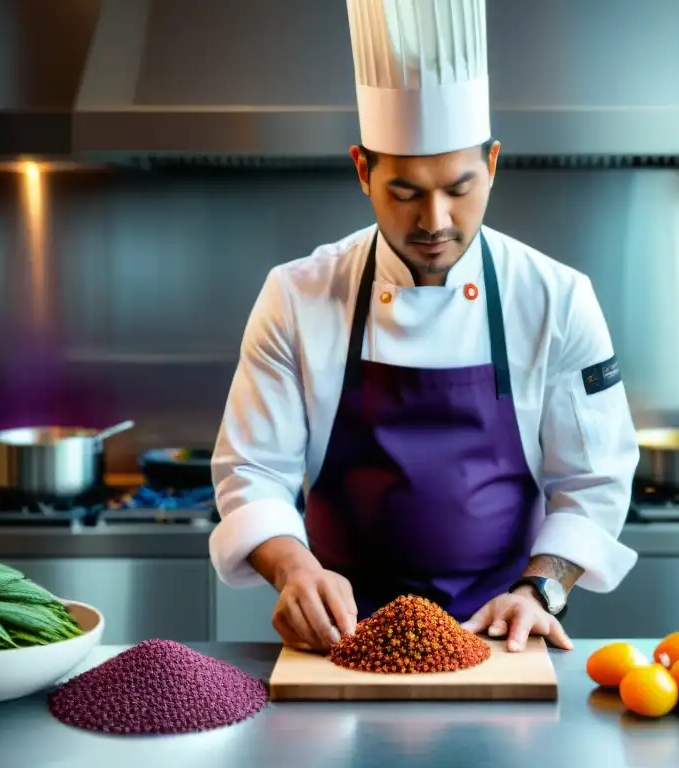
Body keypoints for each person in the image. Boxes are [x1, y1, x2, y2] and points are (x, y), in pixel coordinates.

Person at [209, 0, 640, 654]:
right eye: (406, 192)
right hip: (339, 640)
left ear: (492, 164)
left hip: (500, 635)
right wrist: (294, 569)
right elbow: (253, 471)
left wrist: (539, 591)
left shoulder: (556, 298)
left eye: (460, 187)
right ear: (362, 170)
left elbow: (593, 483)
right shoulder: (296, 296)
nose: (435, 219)